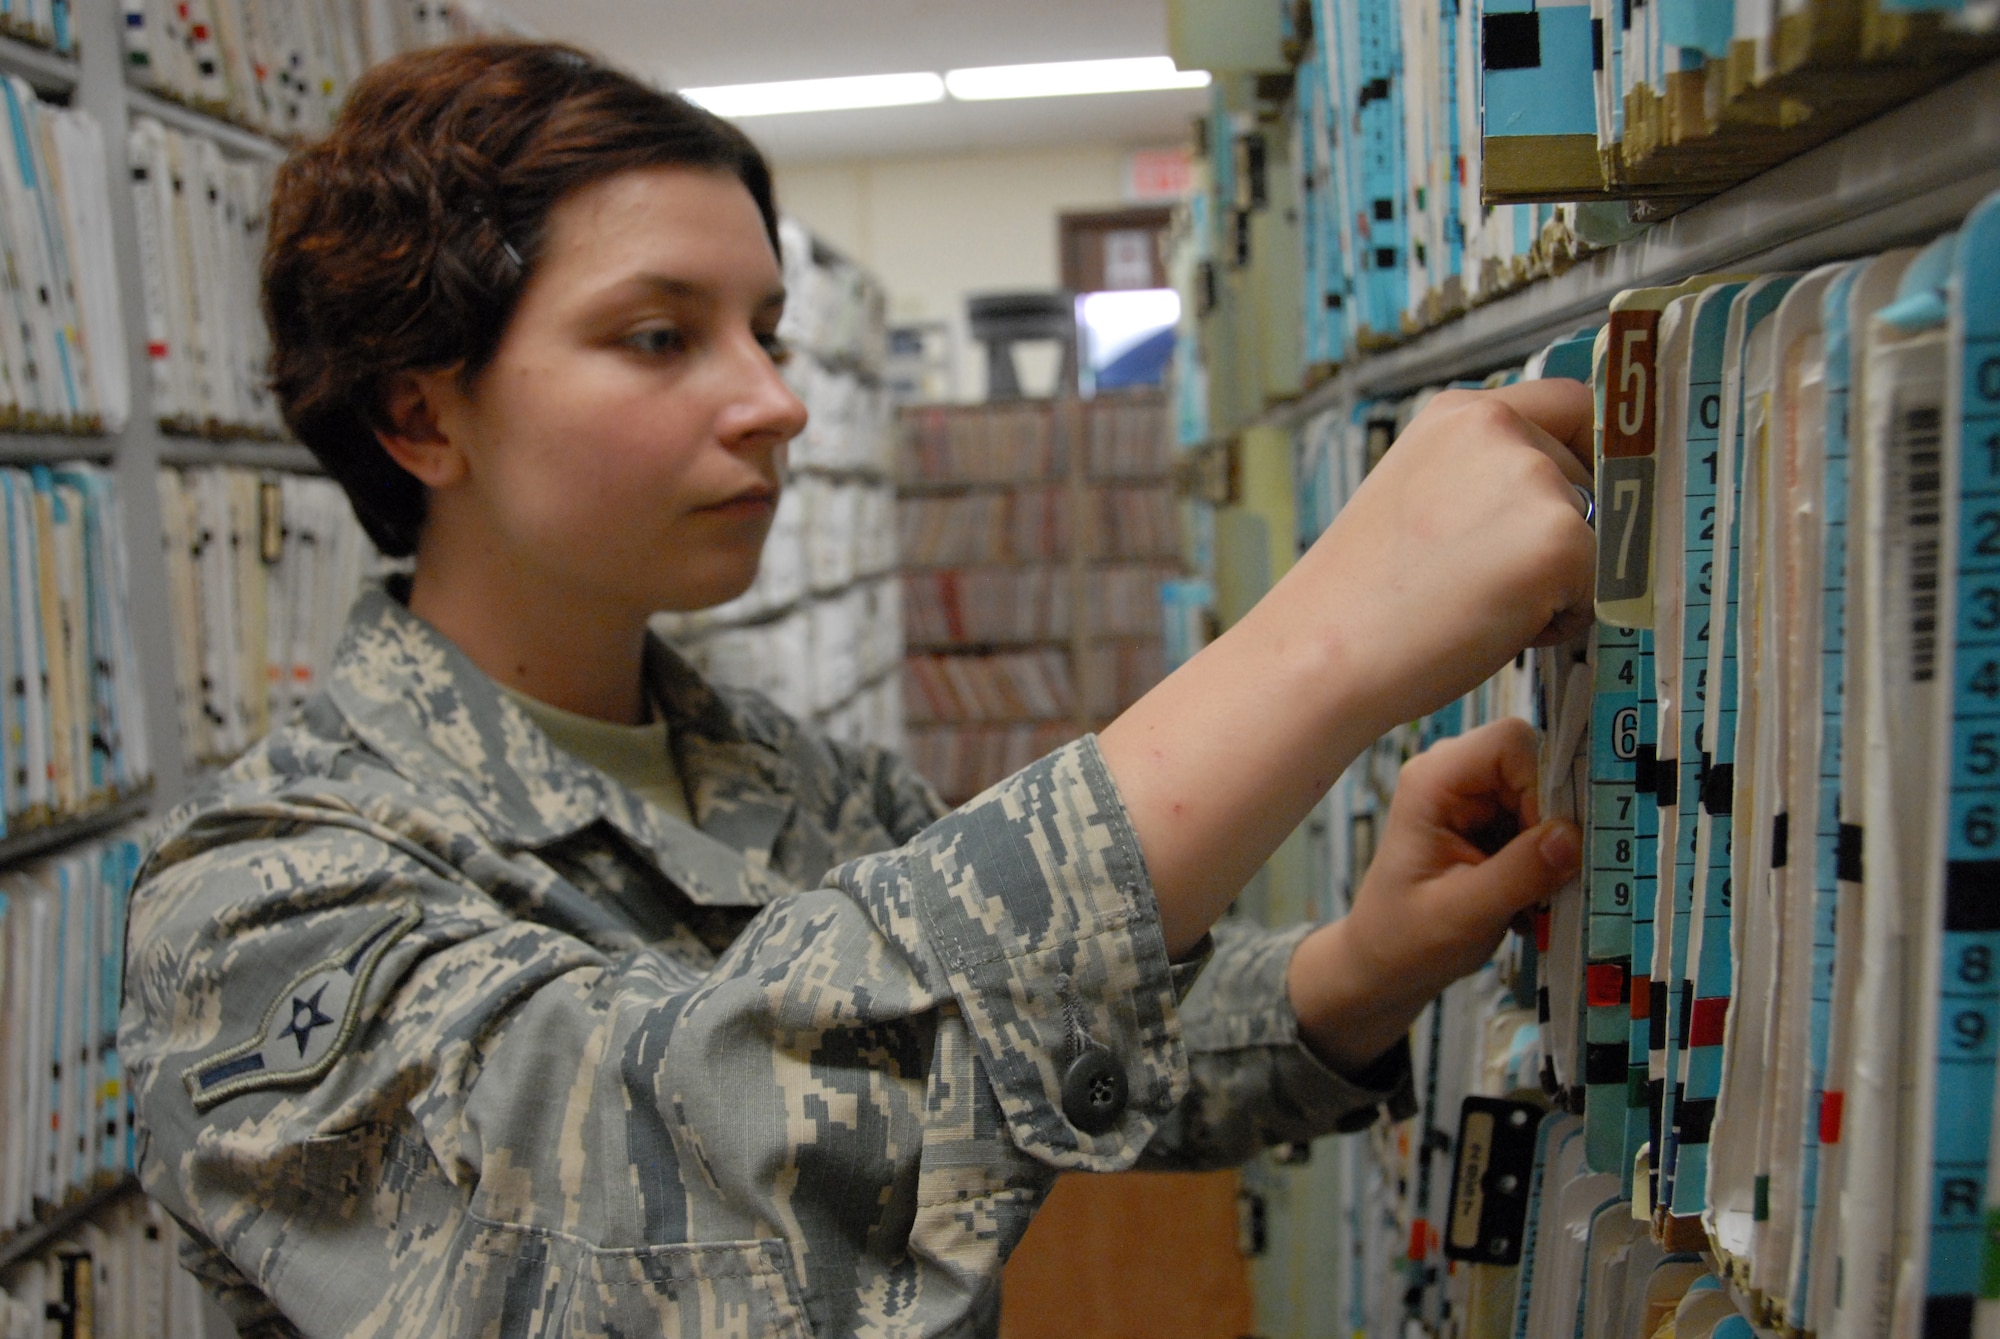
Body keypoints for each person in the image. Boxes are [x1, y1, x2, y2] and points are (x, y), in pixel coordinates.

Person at [118, 39, 1597, 1339]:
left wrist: (1358, 969)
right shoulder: (261, 911)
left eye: (766, 329)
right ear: (418, 412)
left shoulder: (782, 778)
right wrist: (1323, 648)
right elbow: (715, 1221)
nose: (776, 399)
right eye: (658, 336)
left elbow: (1021, 1060)